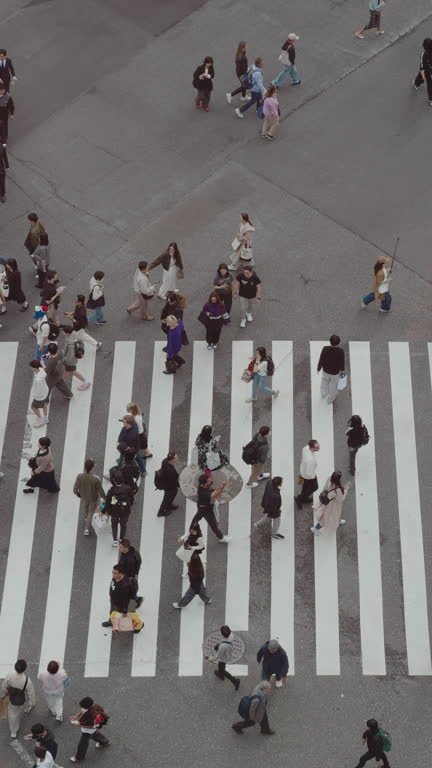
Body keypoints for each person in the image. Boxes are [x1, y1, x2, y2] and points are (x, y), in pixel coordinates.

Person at [0, 659, 36, 738]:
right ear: (25, 668)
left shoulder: (10, 676)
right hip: (20, 699)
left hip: (11, 698)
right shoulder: (27, 680)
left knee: (12, 714)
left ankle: (13, 731)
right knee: (17, 711)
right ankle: (27, 709)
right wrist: (32, 702)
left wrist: (3, 695)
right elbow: (31, 693)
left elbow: (4, 686)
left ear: (15, 667)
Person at [191, 474, 230, 542]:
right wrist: (223, 486)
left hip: (201, 506)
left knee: (197, 517)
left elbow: (212, 489)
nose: (210, 480)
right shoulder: (204, 493)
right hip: (207, 510)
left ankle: (191, 529)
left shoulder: (202, 485)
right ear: (205, 483)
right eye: (209, 480)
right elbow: (215, 495)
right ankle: (221, 538)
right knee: (213, 525)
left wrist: (215, 489)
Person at [70, 696, 110, 762]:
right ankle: (104, 742)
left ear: (88, 707)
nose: (82, 708)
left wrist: (80, 725)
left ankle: (79, 758)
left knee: (82, 744)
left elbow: (93, 726)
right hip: (91, 731)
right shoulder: (93, 706)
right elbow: (82, 710)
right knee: (96, 735)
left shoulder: (95, 716)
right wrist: (75, 716)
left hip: (88, 731)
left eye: (83, 707)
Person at [311, 470, 350, 535]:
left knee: (333, 516)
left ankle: (337, 521)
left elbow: (325, 488)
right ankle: (315, 529)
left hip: (327, 502)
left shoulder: (329, 479)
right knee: (325, 519)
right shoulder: (337, 490)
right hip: (332, 506)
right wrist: (345, 490)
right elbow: (340, 500)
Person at [73, 458, 106, 535]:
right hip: (93, 498)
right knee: (91, 512)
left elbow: (75, 488)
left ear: (84, 467)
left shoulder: (79, 476)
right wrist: (105, 497)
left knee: (85, 507)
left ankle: (85, 517)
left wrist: (78, 494)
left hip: (83, 497)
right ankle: (87, 529)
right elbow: (100, 491)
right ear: (92, 468)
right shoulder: (96, 479)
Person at [207, 625, 240, 690]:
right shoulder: (231, 635)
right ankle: (221, 675)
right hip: (227, 653)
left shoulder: (223, 646)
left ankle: (235, 681)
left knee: (222, 669)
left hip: (223, 658)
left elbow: (218, 655)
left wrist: (211, 659)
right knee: (221, 668)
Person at [105, 471, 134, 546]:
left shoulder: (111, 491)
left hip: (115, 511)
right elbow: (131, 498)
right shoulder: (127, 488)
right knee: (123, 524)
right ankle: (121, 538)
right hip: (125, 511)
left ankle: (115, 540)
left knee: (114, 524)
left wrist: (107, 511)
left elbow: (108, 502)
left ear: (114, 481)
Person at [62, 325, 92, 391]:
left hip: (70, 361)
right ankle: (63, 380)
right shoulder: (73, 335)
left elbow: (69, 356)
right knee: (66, 369)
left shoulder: (70, 344)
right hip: (71, 358)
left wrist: (64, 359)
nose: (62, 333)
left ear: (67, 333)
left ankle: (86, 382)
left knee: (73, 372)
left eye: (63, 332)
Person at [317, 334, 345, 404]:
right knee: (333, 385)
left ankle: (323, 394)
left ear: (330, 341)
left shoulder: (325, 348)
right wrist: (342, 370)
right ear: (338, 343)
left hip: (325, 371)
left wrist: (319, 368)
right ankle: (330, 399)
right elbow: (342, 362)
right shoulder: (341, 351)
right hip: (335, 373)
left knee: (324, 381)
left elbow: (321, 359)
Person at [294, 439, 320, 509]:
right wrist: (313, 477)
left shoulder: (305, 448)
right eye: (317, 447)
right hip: (309, 476)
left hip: (303, 471)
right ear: (311, 448)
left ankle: (302, 497)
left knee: (305, 487)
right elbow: (309, 473)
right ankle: (302, 498)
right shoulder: (310, 460)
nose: (319, 448)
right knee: (315, 487)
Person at [118, 539, 143, 608]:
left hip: (128, 579)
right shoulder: (131, 552)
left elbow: (127, 571)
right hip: (128, 577)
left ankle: (137, 600)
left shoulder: (130, 560)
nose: (119, 548)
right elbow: (139, 561)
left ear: (126, 548)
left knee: (128, 593)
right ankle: (137, 599)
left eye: (120, 547)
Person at [156, 451, 179, 517]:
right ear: (172, 460)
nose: (177, 457)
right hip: (169, 487)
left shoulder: (165, 461)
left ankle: (169, 505)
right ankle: (161, 511)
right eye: (176, 457)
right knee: (167, 498)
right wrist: (177, 484)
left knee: (169, 497)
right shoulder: (170, 471)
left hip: (166, 484)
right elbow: (172, 481)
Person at [29, 359, 49, 426]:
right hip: (45, 392)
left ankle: (40, 419)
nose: (30, 368)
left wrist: (36, 397)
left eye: (31, 367)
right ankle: (45, 418)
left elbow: (39, 390)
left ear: (35, 368)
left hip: (39, 396)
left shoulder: (38, 380)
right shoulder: (41, 370)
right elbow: (44, 370)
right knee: (44, 405)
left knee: (33, 407)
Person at [413, 38, 432, 105]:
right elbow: (422, 67)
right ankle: (416, 83)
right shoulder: (424, 55)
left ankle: (431, 99)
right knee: (421, 77)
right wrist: (423, 76)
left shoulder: (424, 53)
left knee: (430, 84)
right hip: (426, 69)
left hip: (430, 68)